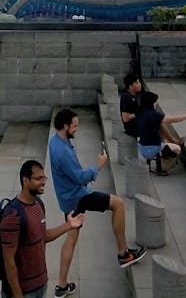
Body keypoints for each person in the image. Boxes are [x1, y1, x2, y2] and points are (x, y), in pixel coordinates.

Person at [49, 108, 145, 288]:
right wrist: (98, 166)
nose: (77, 129)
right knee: (118, 204)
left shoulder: (55, 141)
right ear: (65, 126)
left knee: (71, 238)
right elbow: (80, 178)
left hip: (68, 197)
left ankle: (61, 286)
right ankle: (123, 254)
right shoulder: (63, 151)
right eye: (75, 126)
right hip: (77, 196)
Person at [0, 159, 85, 298]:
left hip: (40, 284)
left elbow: (41, 236)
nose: (43, 181)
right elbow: (8, 261)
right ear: (25, 180)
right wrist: (17, 295)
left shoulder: (38, 205)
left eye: (44, 177)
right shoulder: (12, 216)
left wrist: (68, 225)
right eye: (38, 178)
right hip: (23, 291)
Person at [137, 91, 186, 174]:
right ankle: (161, 168)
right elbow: (173, 119)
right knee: (177, 149)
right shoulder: (153, 114)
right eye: (155, 102)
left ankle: (170, 144)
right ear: (151, 103)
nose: (156, 104)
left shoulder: (141, 112)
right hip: (152, 148)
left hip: (142, 147)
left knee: (159, 124)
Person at [120, 73, 185, 148]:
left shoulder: (135, 95)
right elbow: (125, 118)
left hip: (138, 121)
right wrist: (140, 112)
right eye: (136, 83)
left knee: (156, 120)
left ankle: (167, 143)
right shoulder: (126, 98)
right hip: (132, 128)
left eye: (139, 82)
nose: (139, 84)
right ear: (130, 86)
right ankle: (173, 142)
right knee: (157, 122)